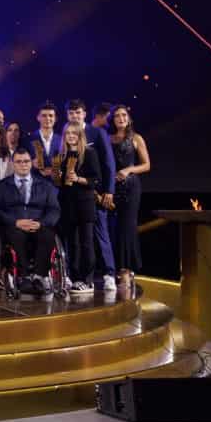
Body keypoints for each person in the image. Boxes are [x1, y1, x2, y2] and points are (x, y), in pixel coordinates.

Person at [0, 149, 62, 294]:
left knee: (48, 235)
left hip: (38, 224)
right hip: (14, 226)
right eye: (19, 162)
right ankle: (24, 277)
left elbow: (54, 210)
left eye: (26, 161)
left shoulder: (45, 186)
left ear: (31, 163)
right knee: (16, 235)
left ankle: (39, 277)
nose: (23, 165)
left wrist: (41, 223)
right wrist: (15, 222)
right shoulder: (2, 187)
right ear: (12, 164)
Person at [65, 98, 118, 293]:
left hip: (96, 194)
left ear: (84, 114)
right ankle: (75, 276)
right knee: (76, 239)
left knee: (100, 234)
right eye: (71, 113)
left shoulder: (98, 133)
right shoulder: (66, 136)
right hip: (73, 198)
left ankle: (109, 274)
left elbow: (108, 164)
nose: (75, 116)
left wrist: (109, 191)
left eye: (78, 112)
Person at [54, 122, 102, 295]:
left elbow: (95, 180)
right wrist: (56, 176)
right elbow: (58, 184)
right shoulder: (61, 156)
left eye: (74, 133)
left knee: (86, 243)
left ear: (80, 136)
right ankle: (74, 279)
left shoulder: (89, 153)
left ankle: (87, 280)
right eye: (68, 133)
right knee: (72, 244)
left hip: (85, 204)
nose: (71, 136)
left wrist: (79, 179)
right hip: (67, 204)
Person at [109, 105, 150, 295]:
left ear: (129, 118)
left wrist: (128, 170)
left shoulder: (136, 138)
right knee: (114, 228)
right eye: (117, 115)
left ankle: (125, 270)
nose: (120, 118)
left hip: (130, 187)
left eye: (123, 115)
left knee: (127, 227)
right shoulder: (108, 138)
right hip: (111, 188)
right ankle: (115, 268)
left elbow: (146, 165)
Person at [30, 102, 61, 181]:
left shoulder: (62, 140)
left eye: (51, 115)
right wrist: (31, 163)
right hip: (35, 184)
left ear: (55, 119)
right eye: (44, 115)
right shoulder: (28, 140)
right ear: (38, 118)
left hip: (56, 185)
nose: (47, 118)